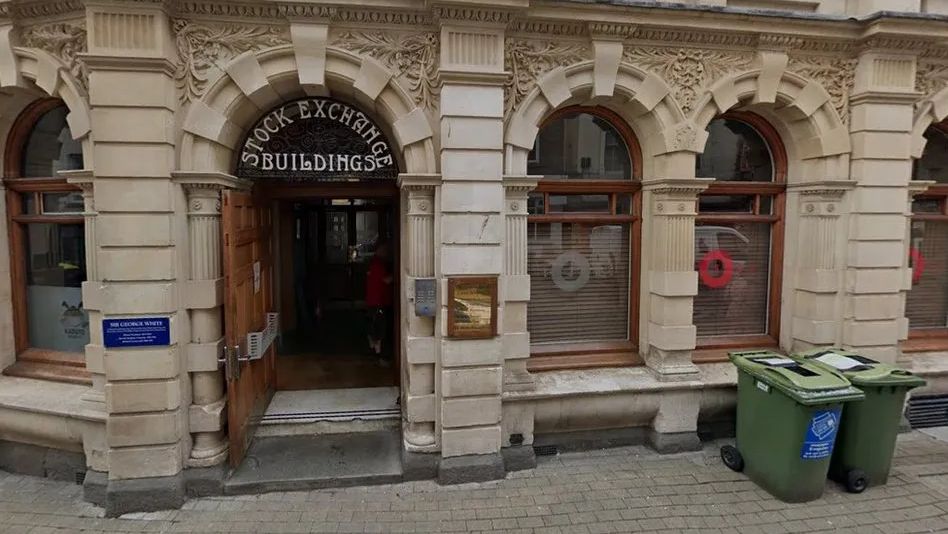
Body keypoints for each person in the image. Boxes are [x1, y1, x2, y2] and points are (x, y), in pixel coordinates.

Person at [365, 241, 393, 367]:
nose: (387, 253)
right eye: (385, 250)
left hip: (372, 301)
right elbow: (385, 281)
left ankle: (374, 353)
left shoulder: (373, 263)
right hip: (378, 301)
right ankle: (379, 355)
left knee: (373, 327)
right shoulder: (379, 264)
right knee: (379, 329)